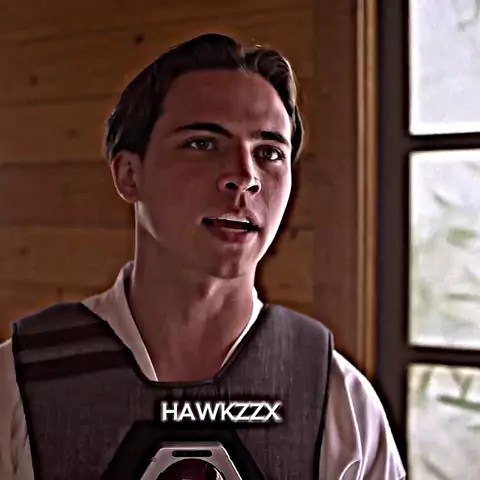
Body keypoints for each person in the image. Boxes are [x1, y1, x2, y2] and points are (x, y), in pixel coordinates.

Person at [0, 33, 406, 479]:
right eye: (203, 144)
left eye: (269, 153)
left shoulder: (338, 398)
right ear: (130, 174)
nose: (244, 176)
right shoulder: (17, 385)